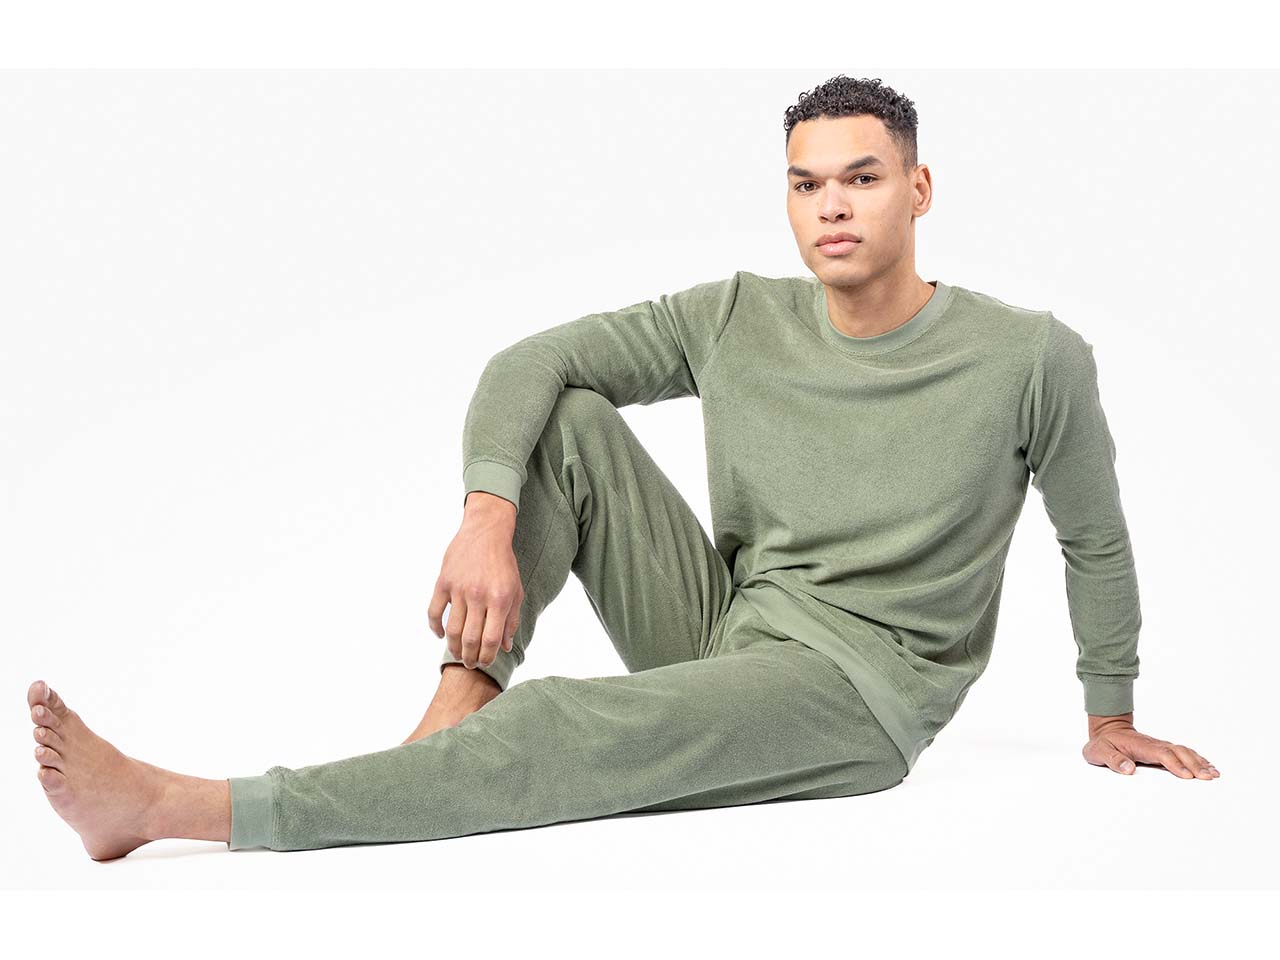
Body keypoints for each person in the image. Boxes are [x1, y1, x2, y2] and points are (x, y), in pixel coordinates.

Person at [29, 74, 1219, 862]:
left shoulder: (1026, 356)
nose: (831, 208)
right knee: (564, 418)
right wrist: (485, 516)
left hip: (857, 696)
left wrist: (1107, 709)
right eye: (805, 183)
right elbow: (531, 360)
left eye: (861, 178)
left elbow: (1091, 535)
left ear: (916, 189)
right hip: (727, 626)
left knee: (567, 730)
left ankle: (176, 806)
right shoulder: (737, 316)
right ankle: (461, 695)